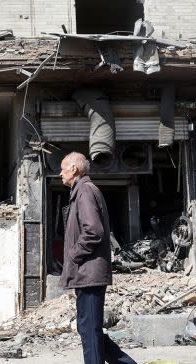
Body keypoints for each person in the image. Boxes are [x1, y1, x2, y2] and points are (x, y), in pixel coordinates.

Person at [59, 152, 137, 364]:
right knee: (87, 329)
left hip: (88, 272)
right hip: (86, 273)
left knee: (90, 331)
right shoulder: (81, 191)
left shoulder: (84, 190)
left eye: (63, 169)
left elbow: (93, 231)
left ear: (74, 169)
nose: (60, 173)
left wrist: (73, 255)